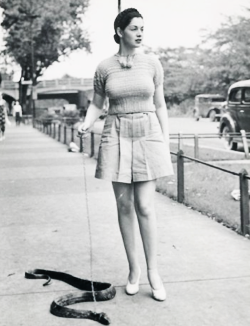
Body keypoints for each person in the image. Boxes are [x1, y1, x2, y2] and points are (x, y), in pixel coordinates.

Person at [78, 8, 173, 301]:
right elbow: (97, 103)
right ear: (120, 31)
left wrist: (165, 140)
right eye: (134, 28)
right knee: (124, 206)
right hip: (116, 133)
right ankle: (134, 271)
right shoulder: (104, 67)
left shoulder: (153, 63)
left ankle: (153, 271)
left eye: (142, 27)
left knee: (145, 205)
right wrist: (86, 122)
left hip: (148, 134)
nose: (140, 32)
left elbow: (160, 105)